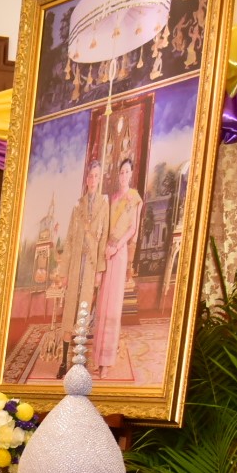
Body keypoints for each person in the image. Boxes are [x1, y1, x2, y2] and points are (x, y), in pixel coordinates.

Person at [53, 158, 109, 377]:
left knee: (84, 311)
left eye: (96, 176)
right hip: (76, 263)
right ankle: (63, 361)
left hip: (91, 265)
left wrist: (99, 271)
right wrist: (65, 272)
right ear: (86, 179)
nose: (93, 180)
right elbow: (68, 239)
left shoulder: (104, 204)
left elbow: (103, 238)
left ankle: (79, 362)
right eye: (90, 176)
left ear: (99, 179)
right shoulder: (78, 206)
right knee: (69, 312)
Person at [92, 157, 143, 378]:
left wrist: (116, 246)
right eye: (121, 172)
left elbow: (132, 229)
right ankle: (97, 358)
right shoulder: (112, 199)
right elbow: (106, 227)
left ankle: (107, 361)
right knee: (102, 306)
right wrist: (105, 248)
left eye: (127, 172)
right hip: (106, 253)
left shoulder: (135, 199)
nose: (123, 175)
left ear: (131, 174)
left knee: (112, 306)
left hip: (119, 253)